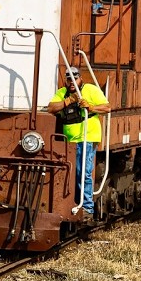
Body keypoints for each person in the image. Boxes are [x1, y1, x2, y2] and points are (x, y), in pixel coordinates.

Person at [46, 67, 110, 219]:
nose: (72, 82)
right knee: (71, 172)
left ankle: (87, 206)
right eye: (69, 79)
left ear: (80, 78)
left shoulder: (90, 89)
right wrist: (69, 100)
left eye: (75, 78)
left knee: (84, 172)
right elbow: (50, 108)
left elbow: (107, 107)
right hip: (68, 141)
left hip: (87, 137)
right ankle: (72, 201)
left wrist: (91, 107)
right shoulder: (62, 93)